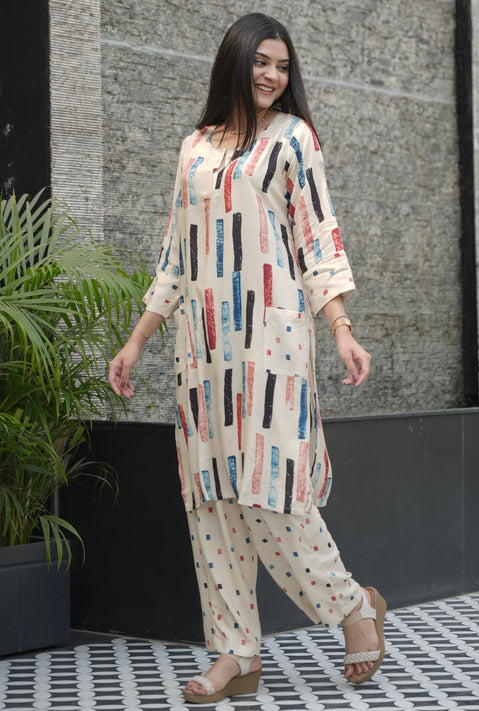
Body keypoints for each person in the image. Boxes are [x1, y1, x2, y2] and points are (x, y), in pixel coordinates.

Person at [108, 12, 385, 704]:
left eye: (282, 66)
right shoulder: (194, 147)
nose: (271, 75)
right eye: (261, 61)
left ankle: (352, 605)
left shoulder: (293, 139)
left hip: (272, 349)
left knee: (273, 495)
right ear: (234, 61)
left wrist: (342, 328)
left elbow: (318, 239)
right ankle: (235, 652)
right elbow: (176, 256)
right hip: (201, 354)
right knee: (211, 502)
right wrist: (137, 340)